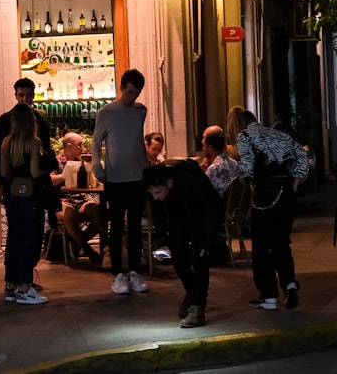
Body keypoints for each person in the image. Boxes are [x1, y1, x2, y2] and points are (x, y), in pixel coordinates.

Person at [229, 106, 309, 312]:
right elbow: (302, 155)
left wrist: (239, 178)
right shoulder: (277, 133)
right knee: (281, 242)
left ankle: (269, 295)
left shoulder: (245, 136)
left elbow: (246, 169)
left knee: (262, 245)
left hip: (266, 192)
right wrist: (296, 183)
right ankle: (289, 284)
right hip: (287, 190)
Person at [0, 77, 58, 296]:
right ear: (15, 95)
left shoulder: (13, 135)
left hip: (16, 189)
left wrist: (1, 182)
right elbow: (38, 166)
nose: (25, 99)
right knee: (30, 235)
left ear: (33, 94)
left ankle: (14, 282)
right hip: (31, 189)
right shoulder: (9, 125)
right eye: (21, 95)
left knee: (17, 235)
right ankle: (24, 283)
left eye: (28, 95)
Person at [143, 160, 223, 328]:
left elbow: (209, 206)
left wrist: (207, 240)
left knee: (198, 256)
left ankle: (198, 307)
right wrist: (162, 241)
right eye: (152, 194)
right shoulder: (155, 187)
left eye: (158, 192)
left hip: (201, 214)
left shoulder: (190, 179)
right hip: (179, 216)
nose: (155, 197)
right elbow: (158, 215)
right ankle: (192, 293)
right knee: (178, 256)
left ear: (169, 183)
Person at [92, 68, 150, 296]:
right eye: (129, 92)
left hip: (137, 175)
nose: (132, 97)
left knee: (135, 226)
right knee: (116, 226)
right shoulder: (106, 112)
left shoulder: (140, 111)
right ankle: (117, 274)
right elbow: (96, 143)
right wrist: (98, 167)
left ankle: (134, 271)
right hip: (115, 177)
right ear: (122, 88)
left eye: (136, 93)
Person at [55, 132, 102, 264]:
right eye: (79, 145)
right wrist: (64, 175)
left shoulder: (81, 162)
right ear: (69, 146)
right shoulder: (56, 161)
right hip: (62, 200)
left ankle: (77, 242)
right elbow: (48, 180)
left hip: (81, 200)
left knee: (102, 212)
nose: (83, 148)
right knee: (69, 213)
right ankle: (88, 249)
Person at [203, 128, 240, 197]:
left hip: (218, 206)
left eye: (204, 146)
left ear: (210, 147)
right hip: (234, 206)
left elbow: (202, 195)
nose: (203, 149)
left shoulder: (213, 169)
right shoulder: (234, 163)